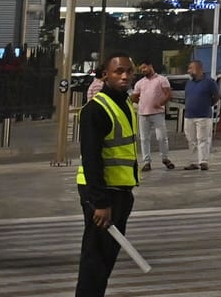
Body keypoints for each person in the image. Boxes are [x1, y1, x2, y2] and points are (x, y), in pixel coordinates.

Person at [76, 52, 139, 297]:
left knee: (106, 258)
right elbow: (91, 158)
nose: (124, 76)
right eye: (118, 71)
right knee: (95, 259)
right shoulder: (96, 109)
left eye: (128, 71)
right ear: (105, 75)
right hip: (102, 194)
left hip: (121, 191)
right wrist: (100, 202)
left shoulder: (125, 103)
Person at [131, 61, 174, 172]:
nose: (143, 70)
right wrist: (140, 102)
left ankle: (165, 158)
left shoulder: (161, 80)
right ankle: (146, 161)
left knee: (161, 137)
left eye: (144, 68)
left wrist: (160, 103)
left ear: (150, 66)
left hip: (157, 113)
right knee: (144, 138)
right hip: (143, 114)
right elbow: (135, 96)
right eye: (141, 69)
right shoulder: (140, 83)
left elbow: (168, 94)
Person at [181, 60, 221, 171]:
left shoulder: (209, 82)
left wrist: (208, 104)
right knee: (191, 139)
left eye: (191, 68)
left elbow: (217, 96)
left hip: (203, 115)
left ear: (199, 69)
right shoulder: (189, 83)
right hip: (189, 115)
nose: (189, 71)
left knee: (202, 139)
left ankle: (203, 161)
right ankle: (193, 162)